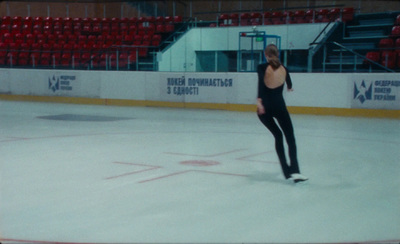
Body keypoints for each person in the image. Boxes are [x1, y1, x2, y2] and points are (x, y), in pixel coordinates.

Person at [256, 44, 308, 183]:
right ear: (278, 54)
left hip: (264, 109)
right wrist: (289, 87)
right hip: (279, 106)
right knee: (290, 138)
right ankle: (295, 171)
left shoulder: (261, 67)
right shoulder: (284, 68)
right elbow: (290, 83)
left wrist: (259, 102)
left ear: (265, 54)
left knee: (278, 136)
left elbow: (261, 84)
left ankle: (286, 171)